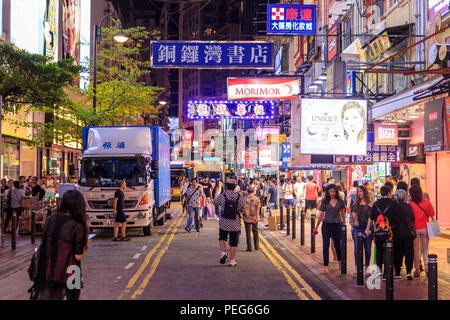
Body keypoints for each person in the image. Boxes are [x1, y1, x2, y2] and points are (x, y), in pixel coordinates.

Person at [36, 190, 90, 300]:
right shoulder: (78, 225)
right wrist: (86, 245)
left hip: (50, 269)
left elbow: (44, 243)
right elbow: (77, 255)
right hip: (72, 272)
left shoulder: (51, 219)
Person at [364, 186, 398, 280]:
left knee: (379, 251)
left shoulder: (376, 204)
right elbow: (397, 218)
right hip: (389, 232)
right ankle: (386, 274)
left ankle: (379, 272)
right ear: (389, 193)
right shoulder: (393, 203)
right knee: (389, 251)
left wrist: (367, 229)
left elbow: (370, 218)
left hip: (378, 232)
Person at [313, 184, 346, 273]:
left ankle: (340, 261)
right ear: (328, 192)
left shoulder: (340, 201)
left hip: (337, 225)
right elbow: (321, 215)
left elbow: (343, 214)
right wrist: (316, 227)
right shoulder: (325, 201)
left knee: (338, 245)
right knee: (326, 245)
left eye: (334, 191)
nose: (332, 193)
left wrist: (344, 224)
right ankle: (326, 265)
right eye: (330, 191)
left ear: (336, 192)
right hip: (326, 225)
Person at [213, 179, 245, 266]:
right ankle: (231, 260)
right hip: (235, 222)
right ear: (235, 187)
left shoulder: (222, 196)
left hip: (224, 222)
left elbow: (214, 203)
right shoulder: (239, 197)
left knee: (222, 238)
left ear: (226, 186)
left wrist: (218, 194)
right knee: (234, 242)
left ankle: (224, 252)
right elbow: (243, 209)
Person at [409, 184, 436, 278]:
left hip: (415, 229)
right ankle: (427, 267)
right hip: (425, 228)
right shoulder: (427, 202)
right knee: (425, 249)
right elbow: (432, 214)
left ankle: (416, 269)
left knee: (416, 250)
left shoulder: (410, 204)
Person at [392, 189, 415, 280]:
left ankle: (397, 272)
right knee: (409, 252)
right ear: (405, 197)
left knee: (397, 253)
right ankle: (409, 272)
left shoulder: (394, 206)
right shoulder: (408, 206)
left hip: (397, 233)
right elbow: (412, 218)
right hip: (407, 232)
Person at [351, 185, 374, 274]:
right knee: (357, 247)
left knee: (367, 248)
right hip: (358, 227)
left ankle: (367, 267)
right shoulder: (355, 203)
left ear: (365, 192)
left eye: (361, 191)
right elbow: (353, 213)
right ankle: (357, 267)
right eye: (358, 191)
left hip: (367, 227)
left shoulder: (370, 203)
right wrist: (356, 220)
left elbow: (371, 217)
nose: (359, 193)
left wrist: (368, 228)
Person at [242, 186, 260, 252]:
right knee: (255, 232)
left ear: (247, 192)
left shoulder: (244, 199)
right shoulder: (257, 199)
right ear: (253, 192)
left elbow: (243, 208)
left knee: (248, 233)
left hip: (247, 217)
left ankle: (249, 247)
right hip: (254, 217)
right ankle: (257, 246)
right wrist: (257, 217)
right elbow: (258, 209)